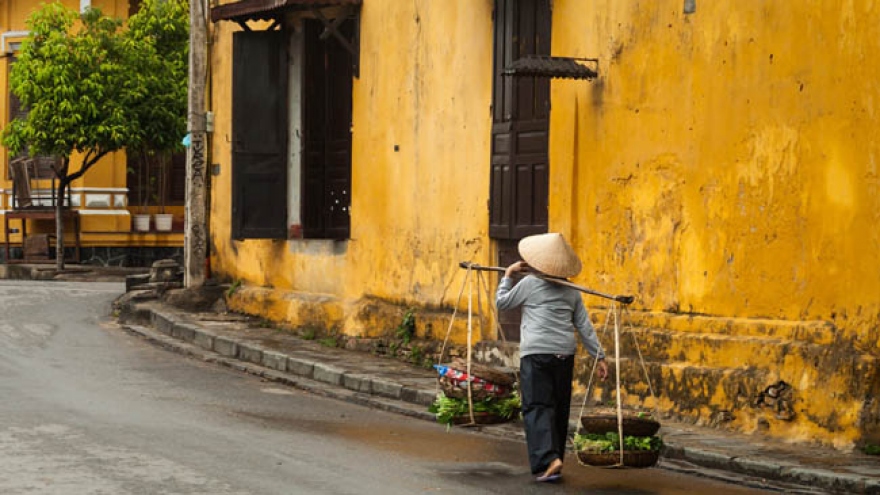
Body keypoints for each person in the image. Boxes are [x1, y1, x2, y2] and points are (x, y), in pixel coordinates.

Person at [496, 232, 609, 483]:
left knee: (537, 406)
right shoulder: (572, 291)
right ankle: (555, 457)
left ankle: (548, 459)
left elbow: (502, 302)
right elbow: (584, 326)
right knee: (558, 407)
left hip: (537, 354)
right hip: (563, 355)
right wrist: (599, 356)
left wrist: (507, 276)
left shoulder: (529, 284)